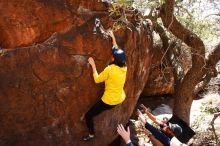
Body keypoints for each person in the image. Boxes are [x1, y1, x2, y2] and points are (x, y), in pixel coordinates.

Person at [83, 30, 127, 141]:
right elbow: (116, 49)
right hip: (120, 98)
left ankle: (91, 134)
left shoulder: (110, 69)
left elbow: (97, 80)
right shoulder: (124, 67)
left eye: (112, 56)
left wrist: (93, 65)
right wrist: (113, 38)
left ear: (113, 59)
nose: (112, 56)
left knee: (88, 116)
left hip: (109, 101)